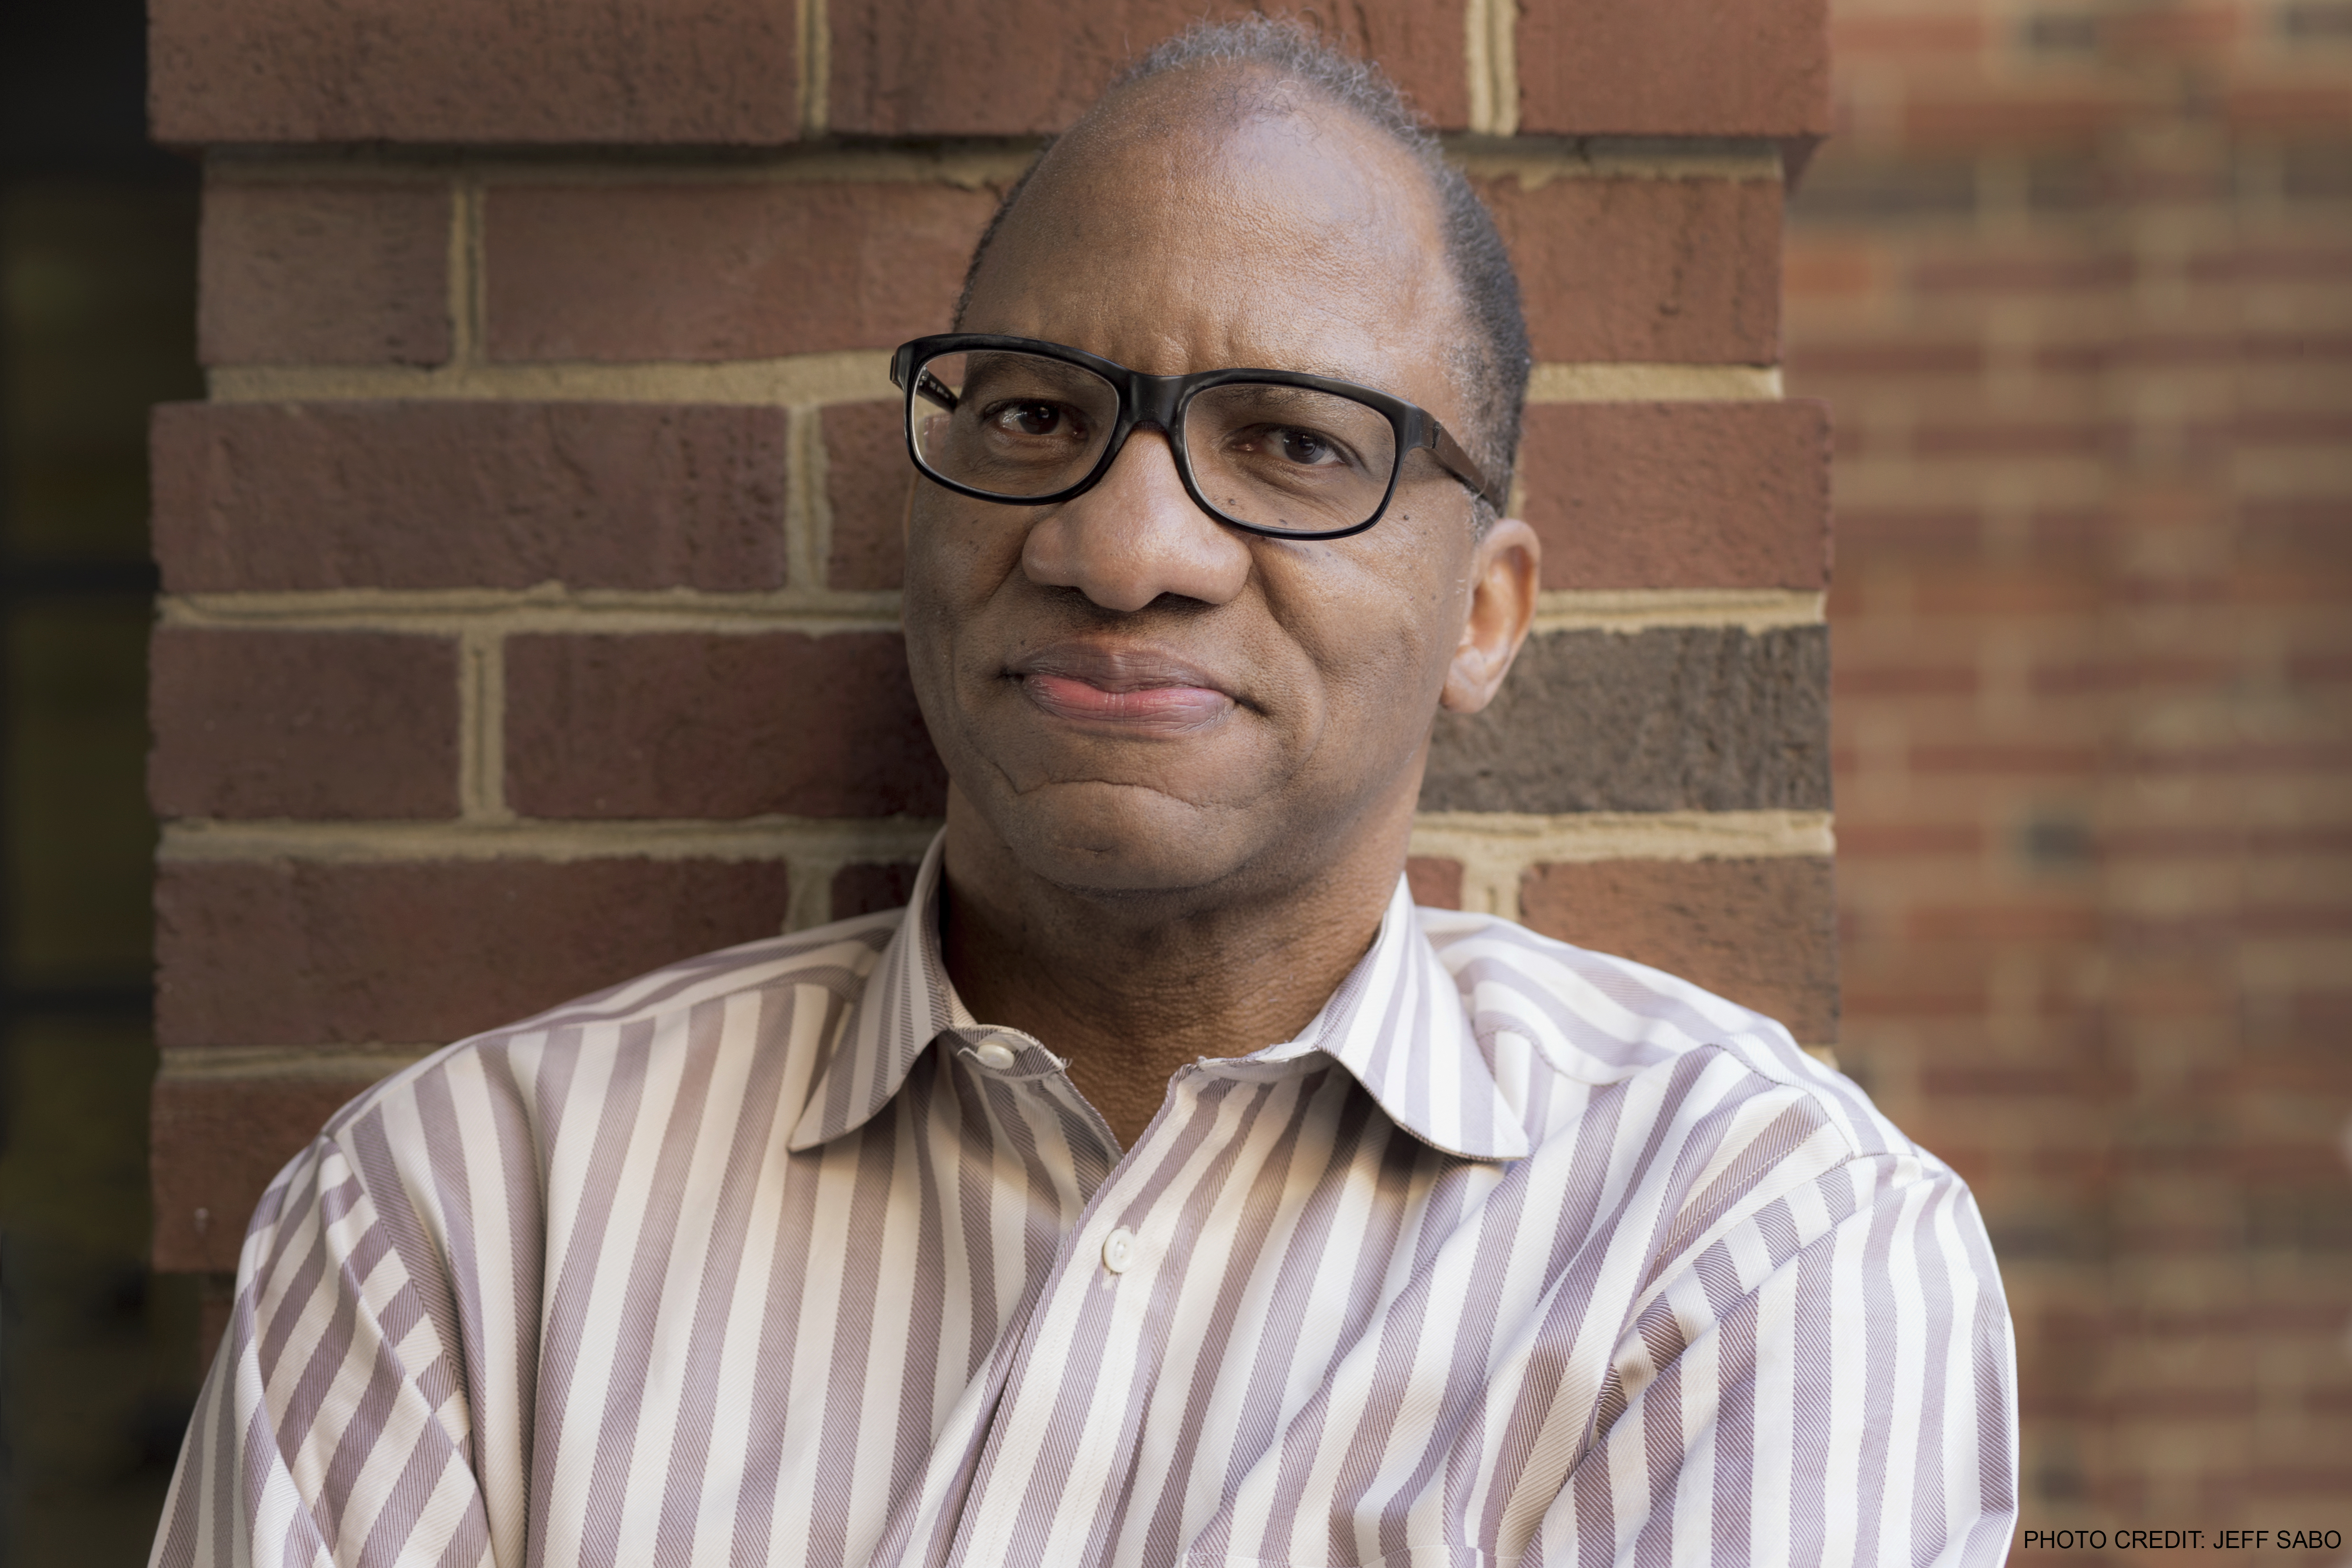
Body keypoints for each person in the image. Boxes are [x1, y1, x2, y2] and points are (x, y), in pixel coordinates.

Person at [153, 20, 2018, 1567]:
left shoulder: (1748, 1249)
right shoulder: (462, 1231)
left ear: (1486, 613)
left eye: (1291, 444)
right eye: (1034, 416)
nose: (1125, 550)